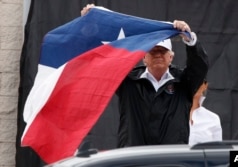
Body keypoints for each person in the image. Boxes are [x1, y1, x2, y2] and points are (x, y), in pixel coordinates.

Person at [81, 4, 209, 147]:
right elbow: (102, 60)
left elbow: (199, 67)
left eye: (163, 51)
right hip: (133, 158)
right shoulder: (128, 80)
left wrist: (190, 40)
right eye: (153, 51)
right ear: (144, 57)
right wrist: (92, 26)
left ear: (171, 57)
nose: (158, 55)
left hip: (171, 159)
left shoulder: (184, 81)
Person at [188, 80, 222, 146]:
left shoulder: (213, 118)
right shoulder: (169, 114)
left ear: (205, 86)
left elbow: (217, 151)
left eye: (198, 79)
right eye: (190, 79)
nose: (194, 84)